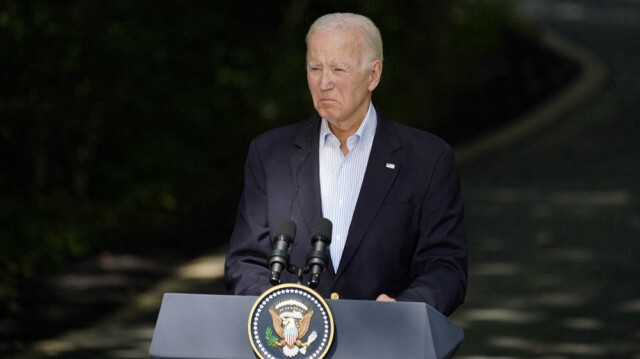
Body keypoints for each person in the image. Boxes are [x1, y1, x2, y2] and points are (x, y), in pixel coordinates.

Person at [223, 12, 467, 316]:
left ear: (373, 75)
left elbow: (445, 266)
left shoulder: (428, 159)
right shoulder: (269, 153)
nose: (324, 82)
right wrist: (274, 314)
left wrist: (405, 312)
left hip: (385, 344)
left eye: (338, 69)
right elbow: (245, 261)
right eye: (315, 68)